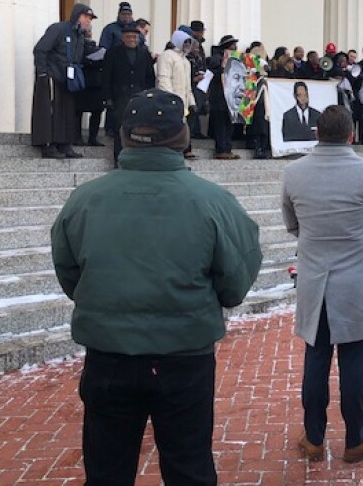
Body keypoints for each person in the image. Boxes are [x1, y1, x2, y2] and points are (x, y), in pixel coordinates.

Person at [52, 88, 263, 486]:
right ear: (182, 137)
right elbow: (235, 282)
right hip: (184, 358)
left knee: (107, 472)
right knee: (189, 469)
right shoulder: (213, 202)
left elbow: (70, 274)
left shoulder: (84, 200)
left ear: (124, 135)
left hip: (108, 355)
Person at [281, 105, 363, 463]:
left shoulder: (294, 172)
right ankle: (356, 438)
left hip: (314, 278)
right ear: (351, 135)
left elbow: (291, 224)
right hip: (354, 281)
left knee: (316, 357)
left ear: (316, 133)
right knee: (353, 360)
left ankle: (313, 438)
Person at [32, 2, 98, 159]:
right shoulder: (59, 29)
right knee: (51, 112)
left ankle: (64, 144)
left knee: (67, 112)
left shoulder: (79, 36)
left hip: (68, 80)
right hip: (52, 76)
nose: (88, 21)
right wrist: (43, 72)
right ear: (77, 16)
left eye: (90, 18)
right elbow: (40, 49)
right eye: (85, 17)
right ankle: (48, 145)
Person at [102, 25, 156, 165]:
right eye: (129, 37)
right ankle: (118, 160)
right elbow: (106, 77)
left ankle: (137, 160)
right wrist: (108, 98)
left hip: (140, 98)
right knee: (120, 130)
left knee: (140, 129)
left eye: (134, 37)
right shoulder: (113, 53)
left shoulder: (144, 53)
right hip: (120, 97)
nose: (132, 39)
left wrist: (150, 96)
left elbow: (150, 77)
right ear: (123, 38)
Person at [158, 30, 197, 160]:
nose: (187, 45)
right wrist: (171, 99)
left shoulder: (185, 61)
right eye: (185, 42)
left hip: (183, 102)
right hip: (171, 101)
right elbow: (163, 78)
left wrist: (192, 102)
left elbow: (187, 85)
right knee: (171, 128)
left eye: (189, 42)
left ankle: (181, 152)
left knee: (182, 128)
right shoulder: (167, 56)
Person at [73, 25, 107, 147]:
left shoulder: (97, 49)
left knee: (97, 111)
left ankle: (92, 137)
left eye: (89, 31)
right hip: (82, 84)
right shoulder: (75, 47)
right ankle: (77, 137)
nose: (88, 33)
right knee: (78, 111)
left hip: (96, 84)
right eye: (85, 31)